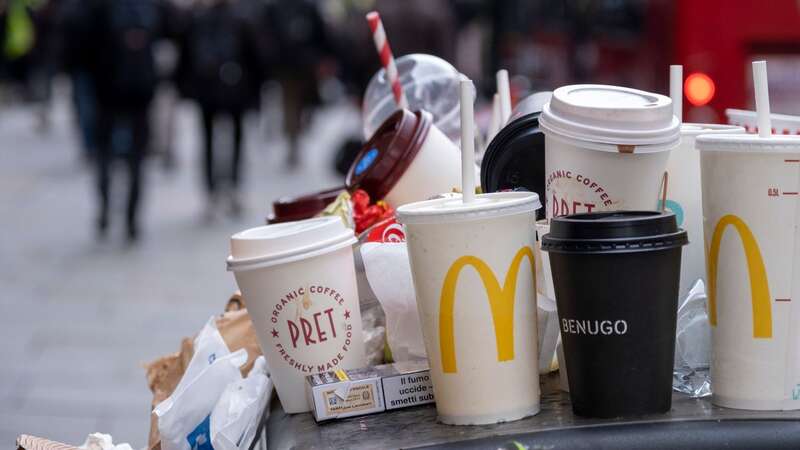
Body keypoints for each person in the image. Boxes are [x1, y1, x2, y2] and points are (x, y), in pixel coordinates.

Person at [86, 0, 171, 241]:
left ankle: (118, 213)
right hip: (124, 90)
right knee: (129, 157)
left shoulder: (101, 9)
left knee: (117, 156)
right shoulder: (144, 8)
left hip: (120, 91)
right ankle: (126, 216)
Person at [175, 0, 261, 218]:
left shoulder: (199, 19)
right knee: (231, 141)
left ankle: (215, 191)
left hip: (211, 91)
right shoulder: (239, 18)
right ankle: (228, 189)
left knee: (210, 142)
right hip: (230, 90)